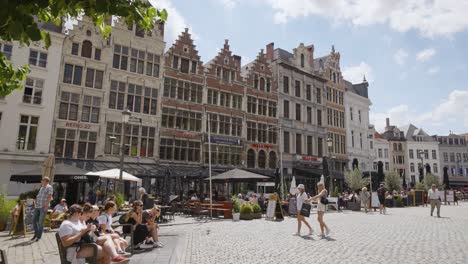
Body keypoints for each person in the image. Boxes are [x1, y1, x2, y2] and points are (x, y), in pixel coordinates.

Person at [59, 204, 129, 264]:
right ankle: (115, 256)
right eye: (81, 213)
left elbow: (86, 235)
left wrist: (91, 230)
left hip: (84, 245)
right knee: (106, 250)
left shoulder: (78, 222)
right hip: (74, 250)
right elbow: (66, 243)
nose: (81, 215)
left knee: (108, 244)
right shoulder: (66, 224)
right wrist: (82, 232)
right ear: (76, 213)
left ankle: (115, 256)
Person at [31, 177, 53, 242]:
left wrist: (46, 205)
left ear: (46, 181)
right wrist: (35, 202)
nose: (41, 181)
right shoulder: (41, 187)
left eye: (42, 180)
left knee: (41, 222)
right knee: (34, 220)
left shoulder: (49, 187)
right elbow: (38, 196)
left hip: (43, 207)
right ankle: (36, 233)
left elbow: (49, 196)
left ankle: (38, 236)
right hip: (37, 206)